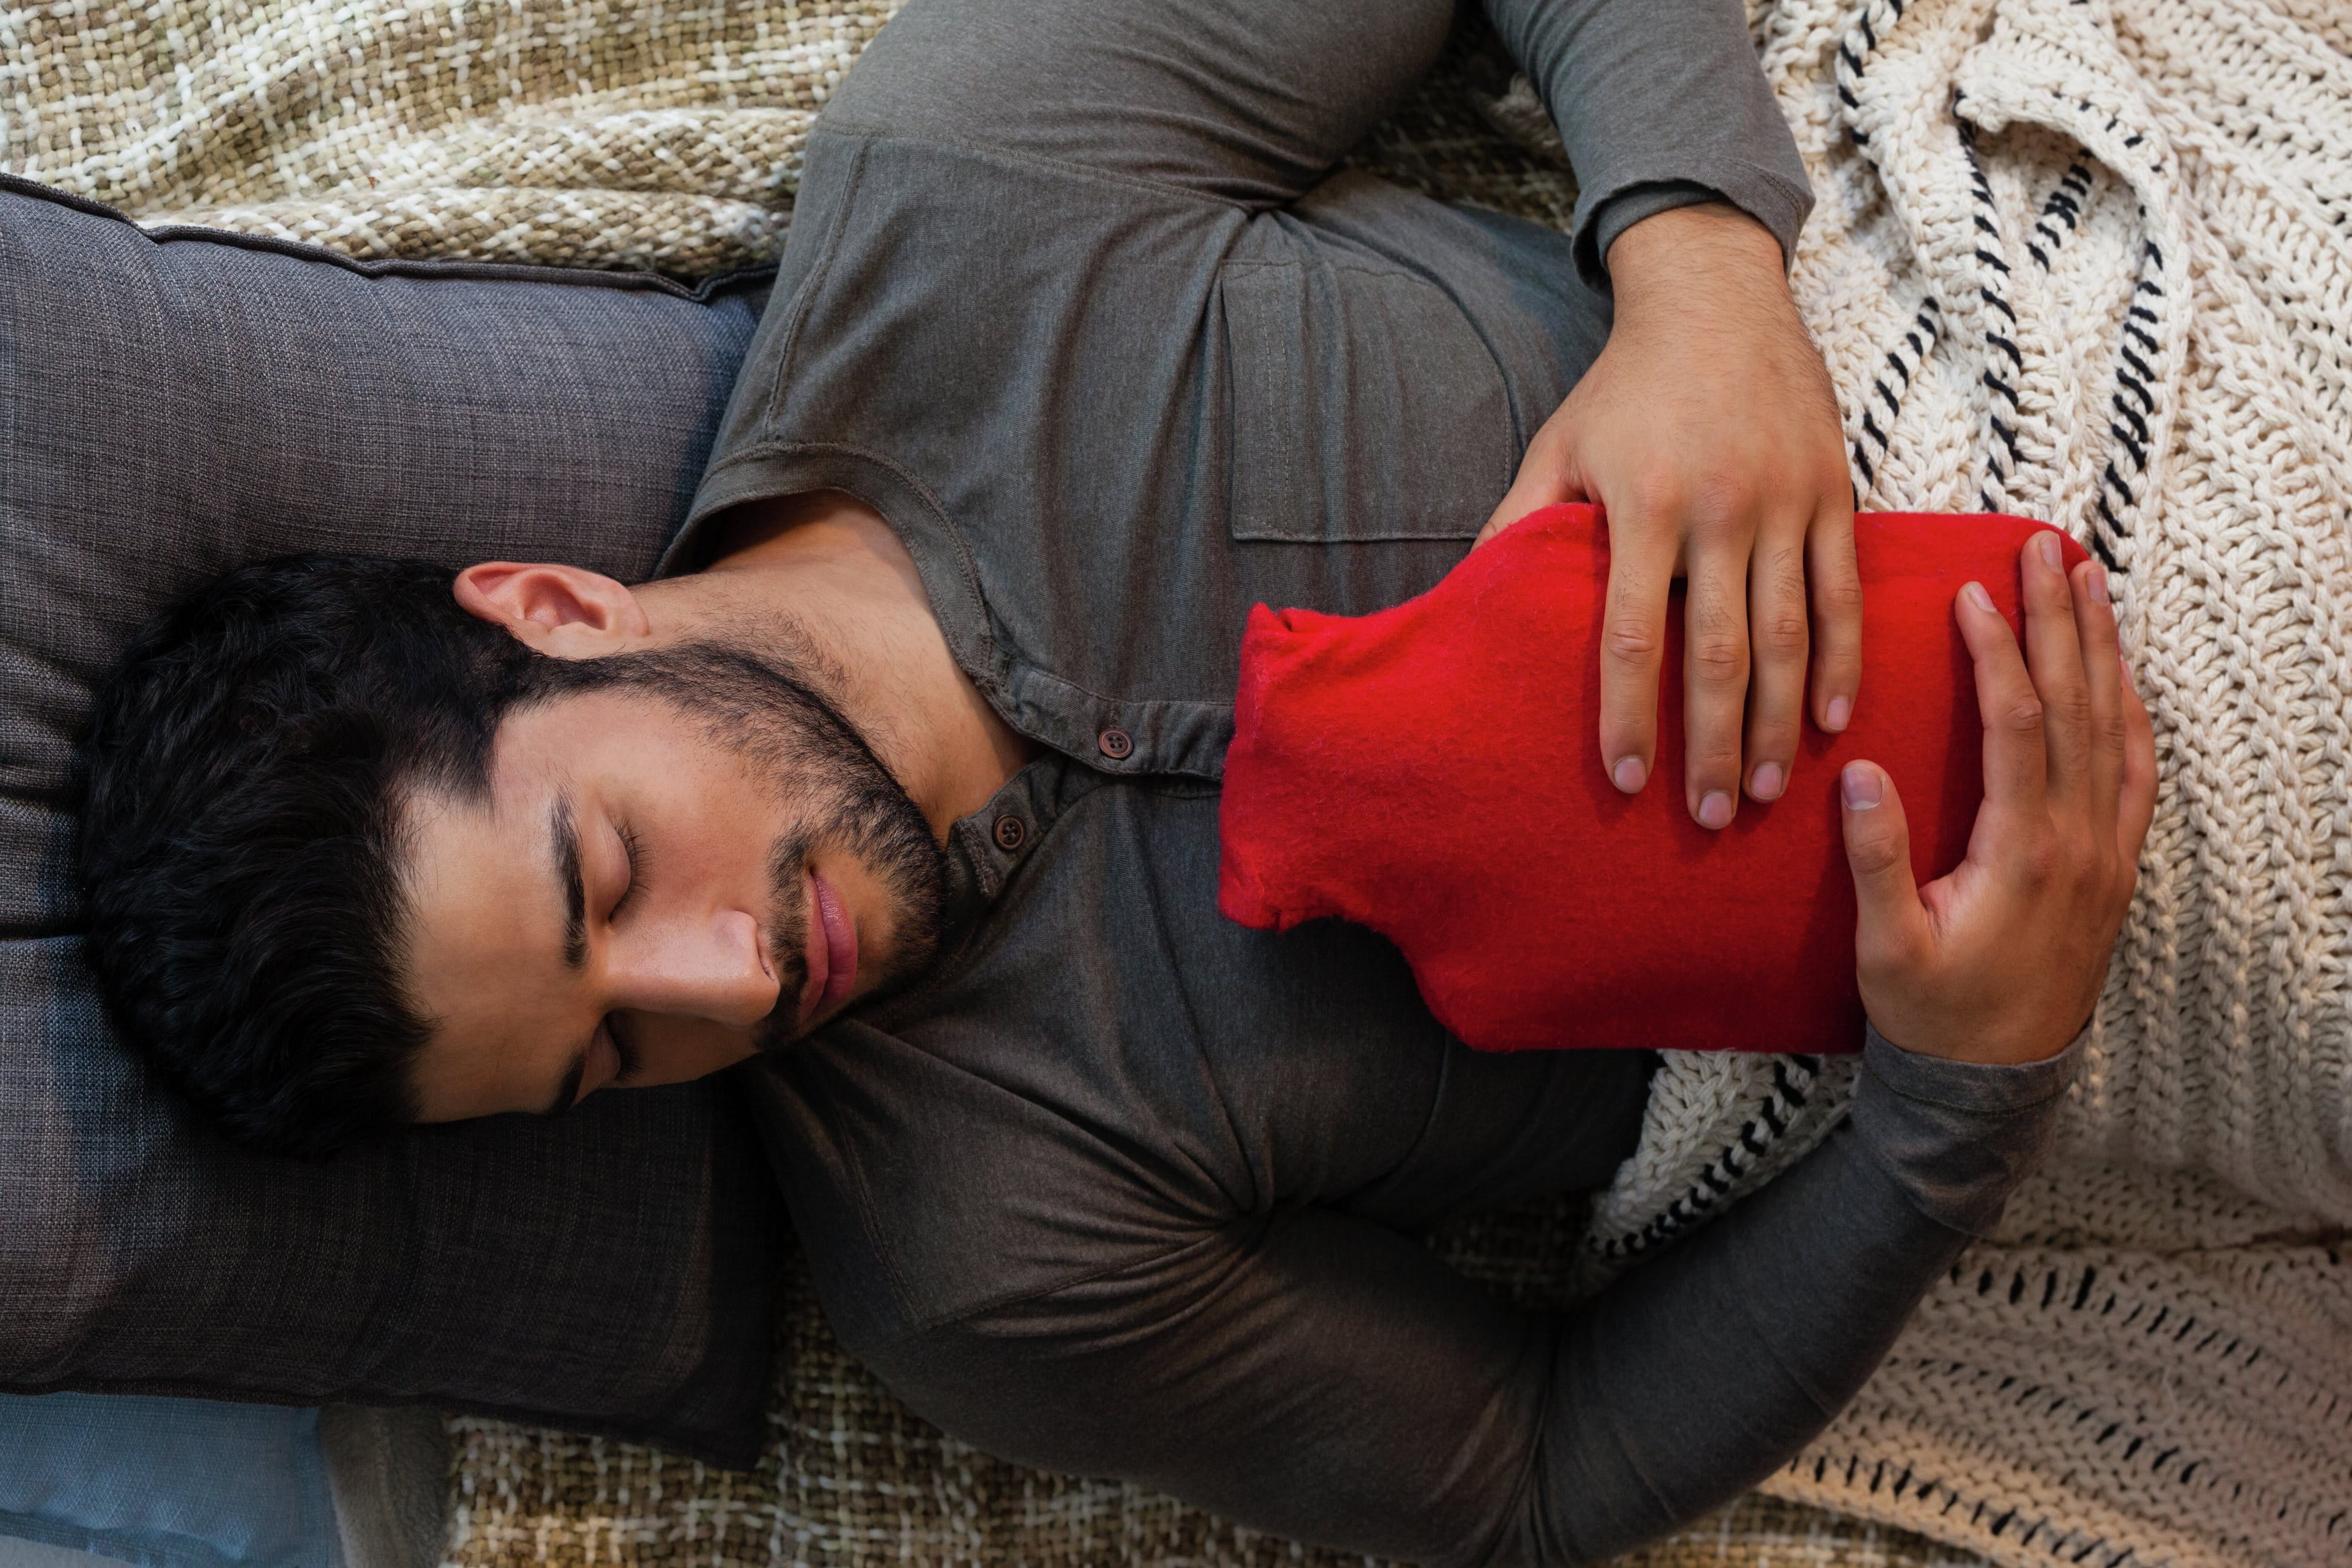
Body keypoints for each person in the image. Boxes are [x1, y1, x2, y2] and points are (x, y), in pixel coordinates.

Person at [75, 1, 2155, 1563]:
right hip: (2154, 1019)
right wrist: (1950, 1100)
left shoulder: (964, 198)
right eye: (613, 1054)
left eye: (604, 875)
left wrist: (1698, 264)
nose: (721, 987)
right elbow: (1532, 1467)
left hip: (2094, 342)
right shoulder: (977, 1248)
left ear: (554, 606)